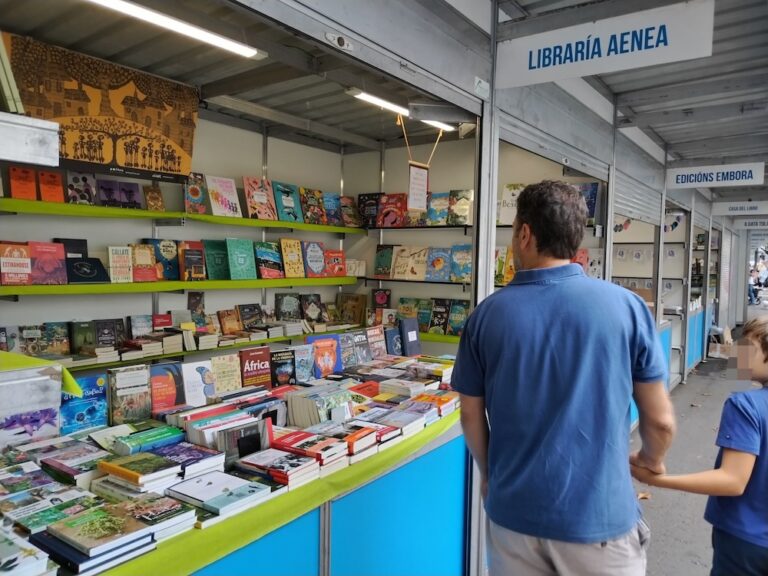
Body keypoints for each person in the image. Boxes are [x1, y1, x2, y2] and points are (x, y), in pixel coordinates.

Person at [453, 180, 676, 576]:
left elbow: (471, 414)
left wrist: (491, 475)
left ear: (525, 233)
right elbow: (659, 420)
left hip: (514, 518)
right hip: (600, 520)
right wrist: (649, 460)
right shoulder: (626, 307)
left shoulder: (486, 316)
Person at [632, 316, 768, 576]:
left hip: (746, 544)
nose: (739, 351)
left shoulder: (746, 406)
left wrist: (657, 480)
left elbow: (733, 480)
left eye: (749, 347)